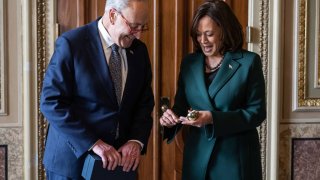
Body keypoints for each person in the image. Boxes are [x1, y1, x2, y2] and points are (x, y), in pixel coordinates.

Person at [40, 0, 154, 179]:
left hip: (116, 166)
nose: (138, 35)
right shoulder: (72, 44)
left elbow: (144, 103)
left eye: (142, 27)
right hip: (71, 165)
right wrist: (93, 143)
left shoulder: (139, 51)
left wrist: (135, 141)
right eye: (133, 26)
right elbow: (51, 102)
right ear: (113, 15)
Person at [160, 1, 266, 180]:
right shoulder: (189, 63)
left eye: (209, 34)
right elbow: (181, 107)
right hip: (197, 160)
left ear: (224, 32)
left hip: (234, 161)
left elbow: (256, 113)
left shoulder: (249, 62)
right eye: (199, 34)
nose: (203, 40)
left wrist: (212, 118)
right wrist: (170, 118)